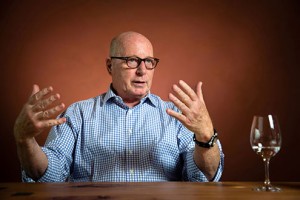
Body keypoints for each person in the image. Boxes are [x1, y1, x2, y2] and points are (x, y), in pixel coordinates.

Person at [14, 31, 224, 182]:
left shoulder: (178, 116)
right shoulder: (78, 114)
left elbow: (203, 177)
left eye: (149, 61)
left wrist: (206, 136)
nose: (142, 70)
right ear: (109, 66)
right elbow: (49, 177)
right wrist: (25, 140)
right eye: (132, 60)